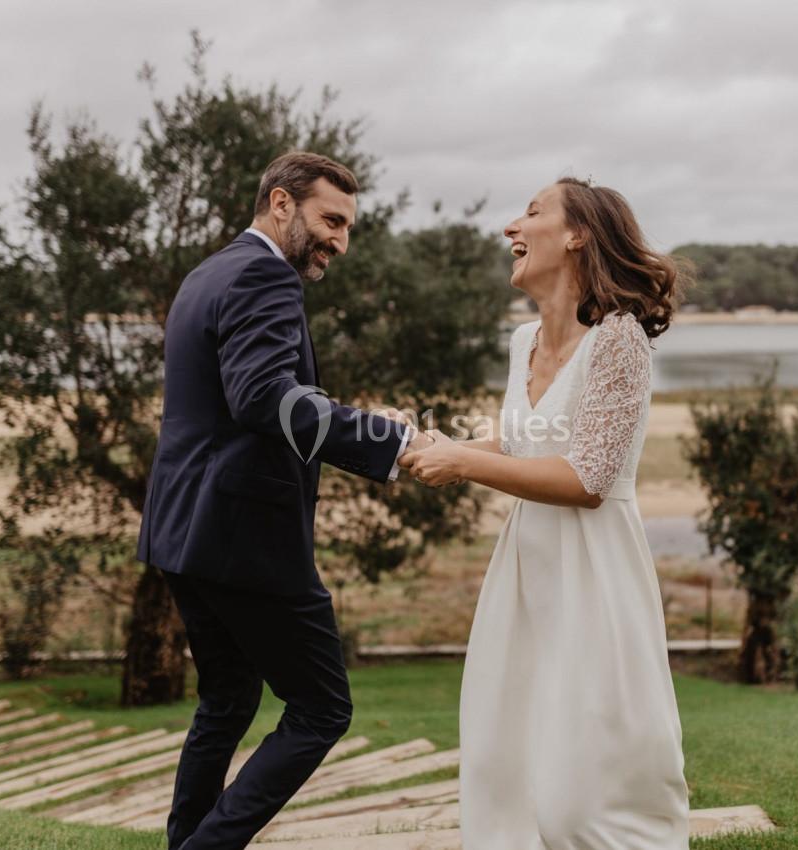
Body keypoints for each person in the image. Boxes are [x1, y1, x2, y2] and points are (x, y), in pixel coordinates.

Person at [135, 151, 432, 850]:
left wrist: (348, 415)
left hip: (182, 531)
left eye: (348, 227)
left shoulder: (209, 272)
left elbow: (251, 394)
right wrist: (390, 439)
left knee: (228, 699)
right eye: (331, 221)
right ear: (280, 204)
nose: (340, 242)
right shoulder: (265, 275)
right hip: (245, 538)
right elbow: (264, 397)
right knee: (322, 707)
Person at [401, 177, 691, 848]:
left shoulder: (618, 340)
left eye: (532, 213)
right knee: (505, 758)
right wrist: (428, 447)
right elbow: (520, 444)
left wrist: (463, 463)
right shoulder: (522, 341)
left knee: (585, 786)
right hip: (526, 572)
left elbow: (588, 477)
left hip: (594, 572)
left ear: (578, 235)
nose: (512, 226)